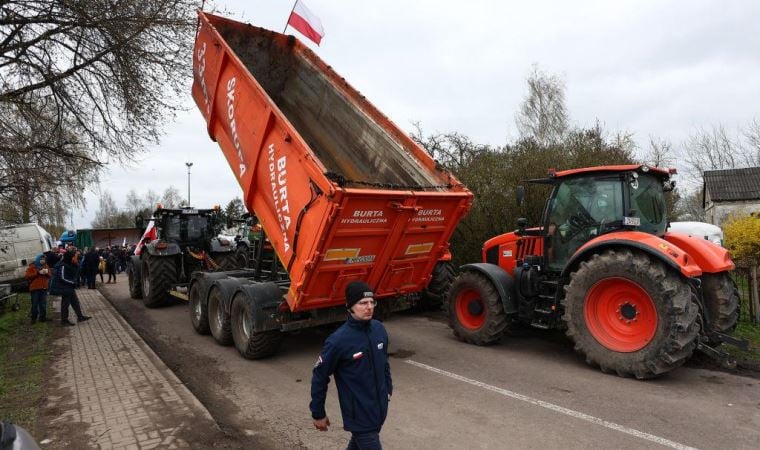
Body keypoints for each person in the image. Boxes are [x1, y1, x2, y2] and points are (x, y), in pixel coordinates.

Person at [310, 281, 392, 450]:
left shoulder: (379, 329)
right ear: (350, 307)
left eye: (371, 302)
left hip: (379, 410)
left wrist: (388, 389)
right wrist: (318, 413)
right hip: (359, 415)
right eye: (362, 303)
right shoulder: (338, 341)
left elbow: (384, 364)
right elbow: (320, 376)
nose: (369, 307)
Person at [50, 250, 91, 326]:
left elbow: (77, 271)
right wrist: (72, 282)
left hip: (69, 287)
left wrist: (76, 264)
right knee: (65, 304)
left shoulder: (69, 263)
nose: (76, 258)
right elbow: (62, 277)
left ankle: (80, 317)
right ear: (70, 257)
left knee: (75, 302)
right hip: (64, 287)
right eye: (74, 257)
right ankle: (64, 320)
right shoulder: (62, 265)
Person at [24, 254, 51, 323]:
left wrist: (46, 273)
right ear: (38, 259)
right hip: (35, 288)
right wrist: (37, 273)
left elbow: (50, 275)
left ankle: (42, 317)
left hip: (43, 288)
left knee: (43, 304)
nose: (43, 261)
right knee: (35, 304)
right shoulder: (32, 266)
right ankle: (33, 318)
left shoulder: (46, 266)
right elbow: (27, 276)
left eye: (44, 259)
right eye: (41, 259)